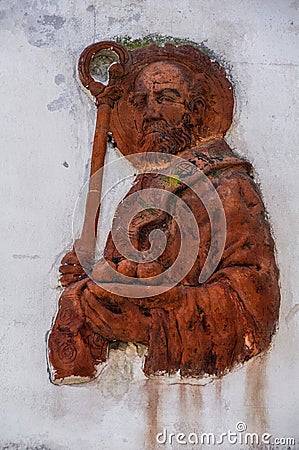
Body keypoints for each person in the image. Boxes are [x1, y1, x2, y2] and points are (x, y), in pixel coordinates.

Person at [48, 44, 280, 383]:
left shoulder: (228, 184)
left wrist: (167, 306)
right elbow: (122, 274)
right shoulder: (141, 192)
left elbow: (253, 304)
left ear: (197, 110)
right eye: (140, 102)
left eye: (166, 98)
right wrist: (89, 276)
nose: (150, 112)